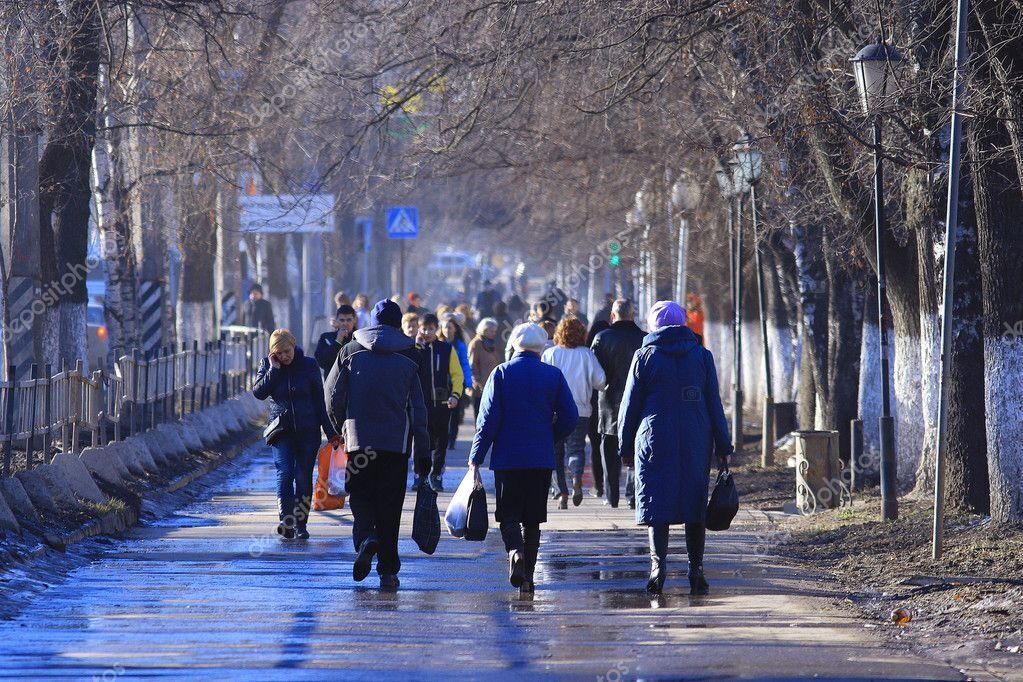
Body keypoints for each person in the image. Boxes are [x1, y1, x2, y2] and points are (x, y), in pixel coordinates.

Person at [618, 301, 732, 596]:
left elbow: (630, 404)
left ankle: (658, 567)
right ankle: (696, 570)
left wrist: (625, 445)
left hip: (655, 437)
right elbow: (713, 403)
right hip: (696, 437)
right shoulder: (701, 356)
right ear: (683, 323)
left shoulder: (644, 356)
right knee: (695, 501)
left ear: (654, 324)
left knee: (657, 501)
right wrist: (723, 444)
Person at [324, 300, 429, 590]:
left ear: (370, 322)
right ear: (398, 324)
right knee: (390, 506)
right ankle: (388, 570)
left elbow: (332, 395)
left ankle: (366, 539)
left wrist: (341, 427)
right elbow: (419, 409)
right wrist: (423, 449)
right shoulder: (411, 355)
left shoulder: (349, 351)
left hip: (358, 443)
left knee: (360, 497)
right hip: (395, 446)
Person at [469, 323, 578, 594]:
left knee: (508, 515)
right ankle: (528, 577)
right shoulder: (553, 375)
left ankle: (514, 552)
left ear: (515, 345)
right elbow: (570, 417)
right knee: (533, 520)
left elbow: (487, 420)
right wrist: (549, 435)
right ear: (542, 347)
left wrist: (476, 457)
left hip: (508, 459)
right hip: (540, 459)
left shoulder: (502, 374)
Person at [253, 329, 338, 540]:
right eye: (279, 353)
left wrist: (331, 433)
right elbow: (259, 392)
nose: (284, 356)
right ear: (273, 353)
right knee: (284, 473)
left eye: (287, 351)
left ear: (294, 346)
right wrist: (274, 370)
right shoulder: (267, 365)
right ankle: (286, 521)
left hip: (308, 431)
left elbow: (320, 402)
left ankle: (301, 524)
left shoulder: (308, 365)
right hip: (281, 432)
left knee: (302, 477)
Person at [542, 317, 606, 508]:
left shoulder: (550, 354)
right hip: (581, 411)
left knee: (556, 452)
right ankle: (577, 480)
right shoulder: (587, 355)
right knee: (576, 449)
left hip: (554, 411)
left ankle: (562, 492)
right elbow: (600, 381)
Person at [591, 299, 646, 509]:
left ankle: (611, 496)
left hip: (609, 404)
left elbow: (596, 374)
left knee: (609, 450)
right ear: (633, 315)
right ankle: (634, 496)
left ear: (613, 316)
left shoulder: (601, 338)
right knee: (636, 448)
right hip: (639, 403)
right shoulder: (645, 338)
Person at [413, 313, 464, 492]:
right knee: (421, 442)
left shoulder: (446, 349)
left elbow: (457, 375)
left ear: (437, 330)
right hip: (421, 404)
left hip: (442, 404)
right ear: (419, 328)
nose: (427, 332)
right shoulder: (415, 349)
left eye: (431, 329)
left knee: (441, 443)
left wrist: (456, 395)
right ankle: (420, 475)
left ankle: (436, 475)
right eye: (424, 328)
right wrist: (417, 347)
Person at [585, 320, 611, 498]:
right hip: (611, 401)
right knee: (611, 443)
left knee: (596, 445)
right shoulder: (612, 347)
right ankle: (610, 485)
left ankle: (599, 485)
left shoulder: (589, 353)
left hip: (592, 402)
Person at [440, 313, 473, 450]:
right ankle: (443, 436)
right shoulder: (438, 344)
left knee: (455, 412)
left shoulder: (459, 345)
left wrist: (468, 382)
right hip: (441, 382)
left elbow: (465, 363)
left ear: (455, 329)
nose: (447, 330)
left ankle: (452, 438)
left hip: (456, 382)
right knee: (442, 412)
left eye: (450, 327)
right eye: (445, 327)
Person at [467, 318, 501, 418]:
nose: (494, 333)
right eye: (491, 331)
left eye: (495, 331)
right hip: (480, 387)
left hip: (492, 384)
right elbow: (472, 364)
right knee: (480, 416)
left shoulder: (491, 343)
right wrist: (477, 381)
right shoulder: (476, 343)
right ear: (484, 330)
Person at [314, 305, 357, 377]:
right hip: (333, 384)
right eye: (342, 320)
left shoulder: (359, 339)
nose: (345, 323)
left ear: (354, 320)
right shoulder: (326, 338)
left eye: (349, 320)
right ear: (336, 320)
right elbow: (322, 362)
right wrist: (338, 341)